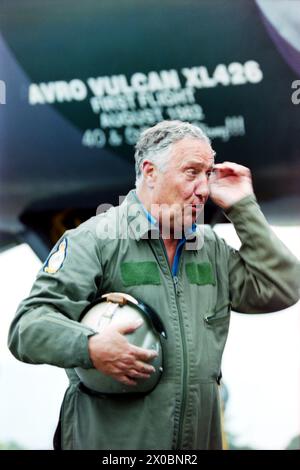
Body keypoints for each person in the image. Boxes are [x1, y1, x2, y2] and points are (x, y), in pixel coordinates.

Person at [8, 120, 300, 450]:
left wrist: (243, 207)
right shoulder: (94, 240)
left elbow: (284, 286)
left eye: (207, 174)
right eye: (192, 172)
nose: (204, 188)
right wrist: (90, 347)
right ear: (150, 173)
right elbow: (27, 327)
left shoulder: (210, 248)